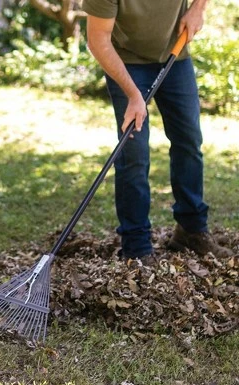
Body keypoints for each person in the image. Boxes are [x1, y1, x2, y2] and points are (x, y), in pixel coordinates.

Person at [82, 0, 234, 262]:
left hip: (175, 57)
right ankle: (136, 246)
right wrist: (133, 95)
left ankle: (191, 229)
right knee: (134, 152)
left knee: (188, 141)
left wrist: (198, 8)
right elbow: (98, 41)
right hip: (126, 62)